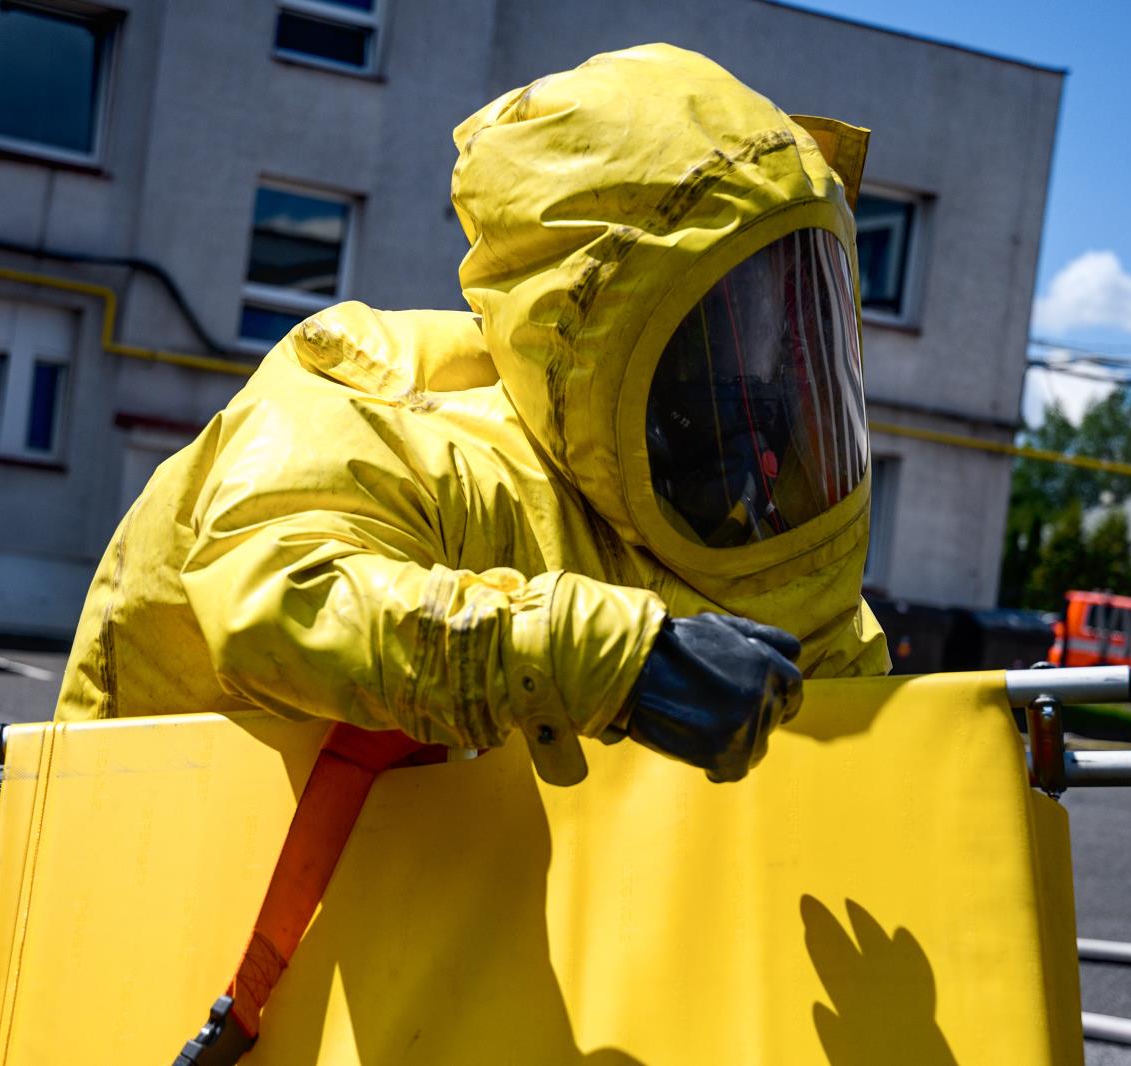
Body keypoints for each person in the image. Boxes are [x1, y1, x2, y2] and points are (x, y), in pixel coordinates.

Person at [55, 43, 889, 785]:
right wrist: (611, 661)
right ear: (596, 327)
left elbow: (846, 686)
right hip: (173, 876)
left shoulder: (726, 531)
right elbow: (281, 596)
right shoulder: (383, 410)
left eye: (786, 316)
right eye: (727, 320)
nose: (766, 371)